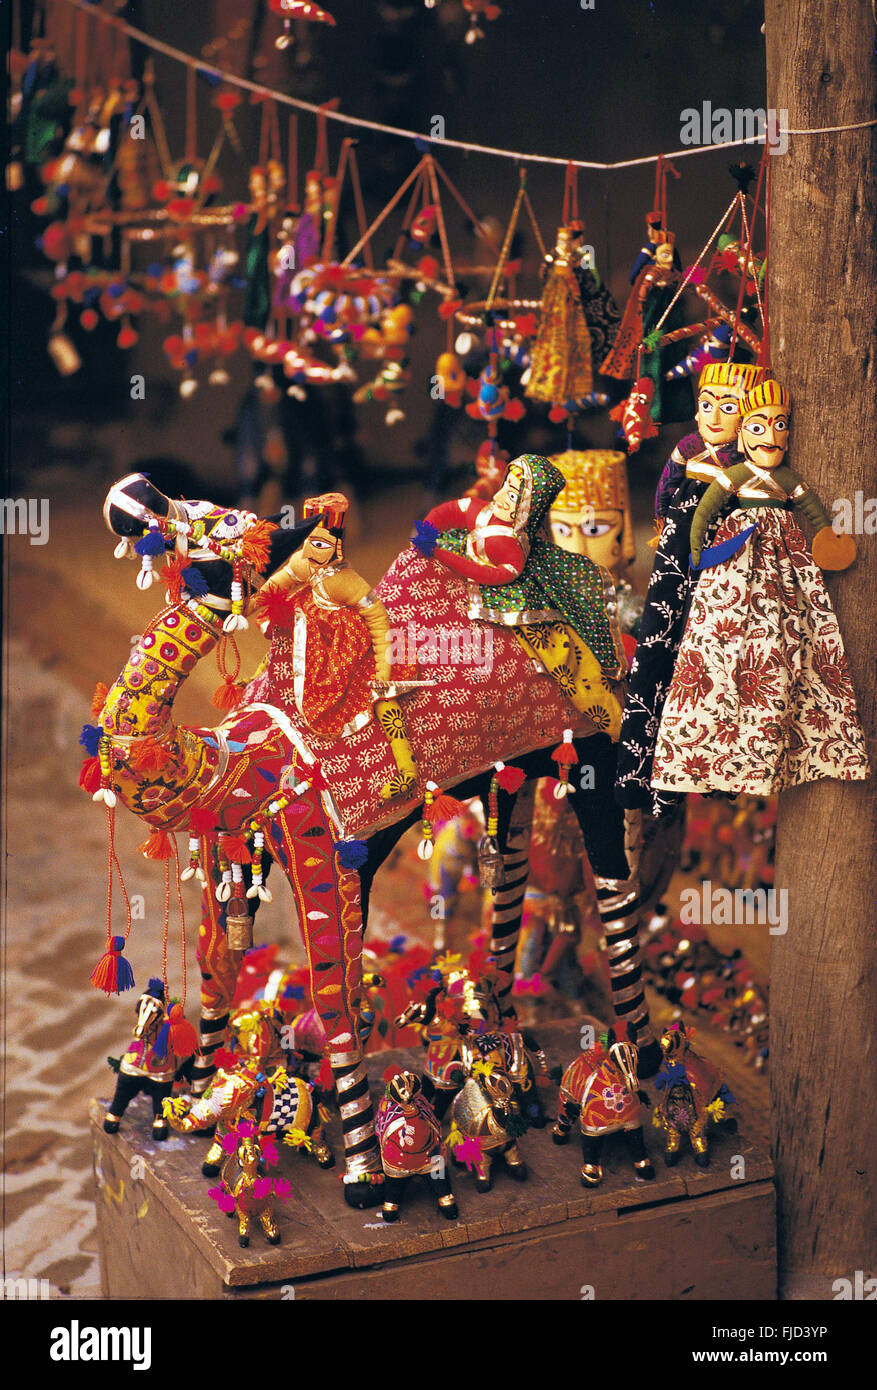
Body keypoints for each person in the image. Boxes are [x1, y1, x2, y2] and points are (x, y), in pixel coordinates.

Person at [651, 379, 869, 795]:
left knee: (793, 637)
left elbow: (813, 511)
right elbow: (706, 512)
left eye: (779, 426)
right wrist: (698, 551)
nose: (770, 437)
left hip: (787, 563)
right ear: (745, 431)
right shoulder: (733, 476)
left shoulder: (787, 480)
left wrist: (827, 538)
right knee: (720, 643)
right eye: (758, 426)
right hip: (733, 557)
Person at [417, 454, 627, 737]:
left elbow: (495, 575)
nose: (503, 497)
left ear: (532, 505)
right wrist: (428, 530)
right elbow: (451, 510)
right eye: (506, 486)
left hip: (508, 593)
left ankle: (613, 721)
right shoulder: (481, 511)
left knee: (557, 653)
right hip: (460, 558)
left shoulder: (514, 546)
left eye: (515, 495)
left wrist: (442, 555)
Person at [254, 492, 420, 799]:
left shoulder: (346, 580)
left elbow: (378, 620)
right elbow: (277, 585)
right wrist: (243, 605)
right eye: (305, 541)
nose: (307, 550)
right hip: (315, 641)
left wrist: (384, 668)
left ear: (336, 545)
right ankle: (256, 678)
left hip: (354, 650)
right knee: (282, 641)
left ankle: (406, 768)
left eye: (318, 544)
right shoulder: (304, 561)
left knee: (382, 697)